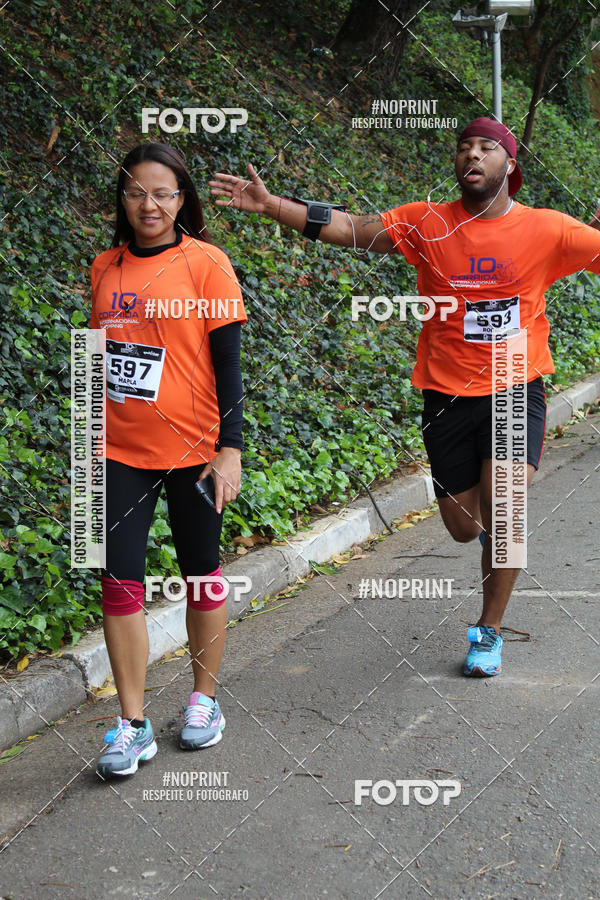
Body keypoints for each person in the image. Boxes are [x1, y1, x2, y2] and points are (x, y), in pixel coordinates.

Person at [209, 117, 600, 678]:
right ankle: (494, 540)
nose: (472, 155)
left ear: (510, 165)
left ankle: (488, 629)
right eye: (464, 147)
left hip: (515, 382)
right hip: (445, 392)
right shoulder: (427, 222)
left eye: (486, 148)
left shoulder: (549, 229)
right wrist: (274, 206)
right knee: (464, 526)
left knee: (506, 508)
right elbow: (350, 228)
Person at [90, 142, 247, 777]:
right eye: (136, 192)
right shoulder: (104, 267)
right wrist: (87, 447)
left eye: (162, 193)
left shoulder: (207, 264)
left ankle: (204, 700)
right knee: (118, 580)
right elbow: (96, 360)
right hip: (118, 450)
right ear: (122, 199)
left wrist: (231, 449)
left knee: (201, 574)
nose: (148, 204)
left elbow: (229, 365)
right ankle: (132, 725)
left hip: (194, 450)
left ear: (183, 199)